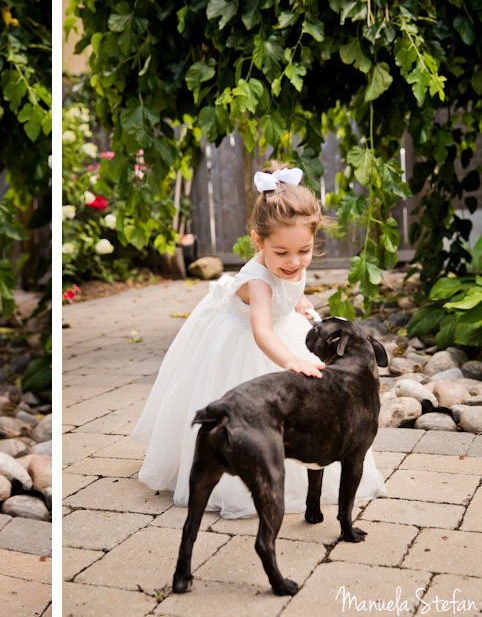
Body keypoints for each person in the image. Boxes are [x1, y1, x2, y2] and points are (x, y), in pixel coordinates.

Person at [132, 162, 385, 518]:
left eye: (305, 251)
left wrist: (298, 299)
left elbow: (291, 285)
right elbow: (262, 331)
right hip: (244, 335)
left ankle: (302, 471)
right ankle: (230, 477)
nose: (294, 261)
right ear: (258, 241)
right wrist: (290, 361)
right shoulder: (259, 280)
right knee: (249, 409)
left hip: (282, 327)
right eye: (281, 253)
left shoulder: (293, 258)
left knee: (297, 412)